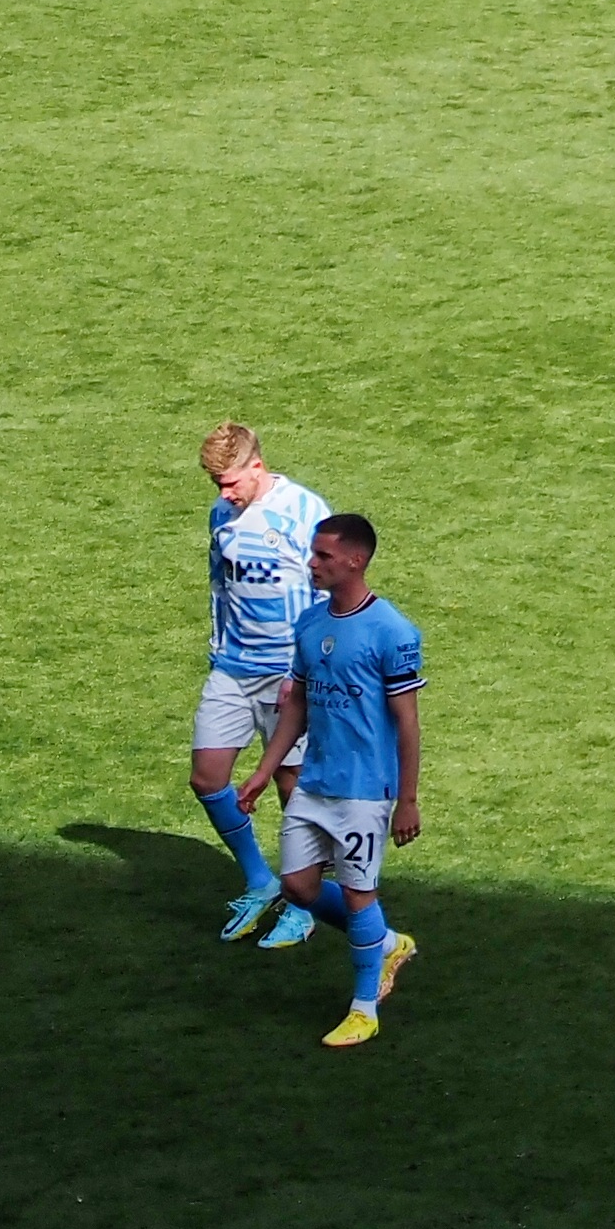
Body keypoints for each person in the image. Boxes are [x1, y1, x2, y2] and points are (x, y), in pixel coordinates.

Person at [250, 510, 422, 1046]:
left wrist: (407, 799)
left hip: (365, 791)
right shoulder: (311, 624)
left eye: (323, 556)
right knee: (298, 887)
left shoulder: (391, 631)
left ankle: (364, 1008)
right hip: (314, 782)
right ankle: (387, 942)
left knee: (356, 897)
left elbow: (407, 721)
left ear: (356, 560)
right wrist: (263, 771)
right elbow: (297, 706)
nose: (312, 564)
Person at [188, 421, 328, 944]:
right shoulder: (222, 514)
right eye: (217, 486)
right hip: (233, 666)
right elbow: (219, 585)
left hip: (286, 674)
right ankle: (260, 879)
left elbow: (327, 596)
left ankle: (303, 900)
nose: (225, 495)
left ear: (257, 467)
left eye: (231, 483)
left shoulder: (306, 513)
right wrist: (218, 647)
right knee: (207, 778)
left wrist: (307, 669)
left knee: (292, 787)